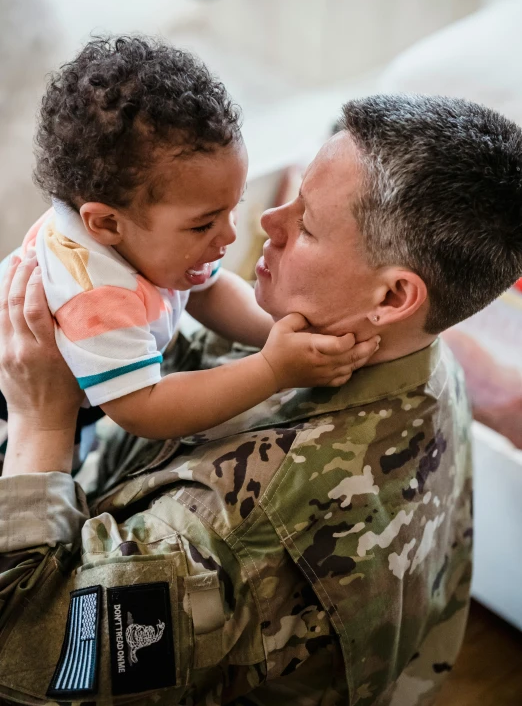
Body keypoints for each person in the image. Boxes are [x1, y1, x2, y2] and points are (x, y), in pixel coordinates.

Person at [1, 94, 522, 705]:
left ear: (393, 296)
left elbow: (21, 654)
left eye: (306, 225)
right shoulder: (414, 350)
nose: (270, 221)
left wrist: (41, 420)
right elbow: (203, 352)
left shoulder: (235, 526)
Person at [0, 36, 378, 471]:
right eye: (204, 224)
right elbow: (145, 407)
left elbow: (209, 291)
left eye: (232, 208)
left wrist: (288, 333)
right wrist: (273, 369)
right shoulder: (92, 295)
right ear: (104, 225)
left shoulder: (154, 238)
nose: (230, 236)